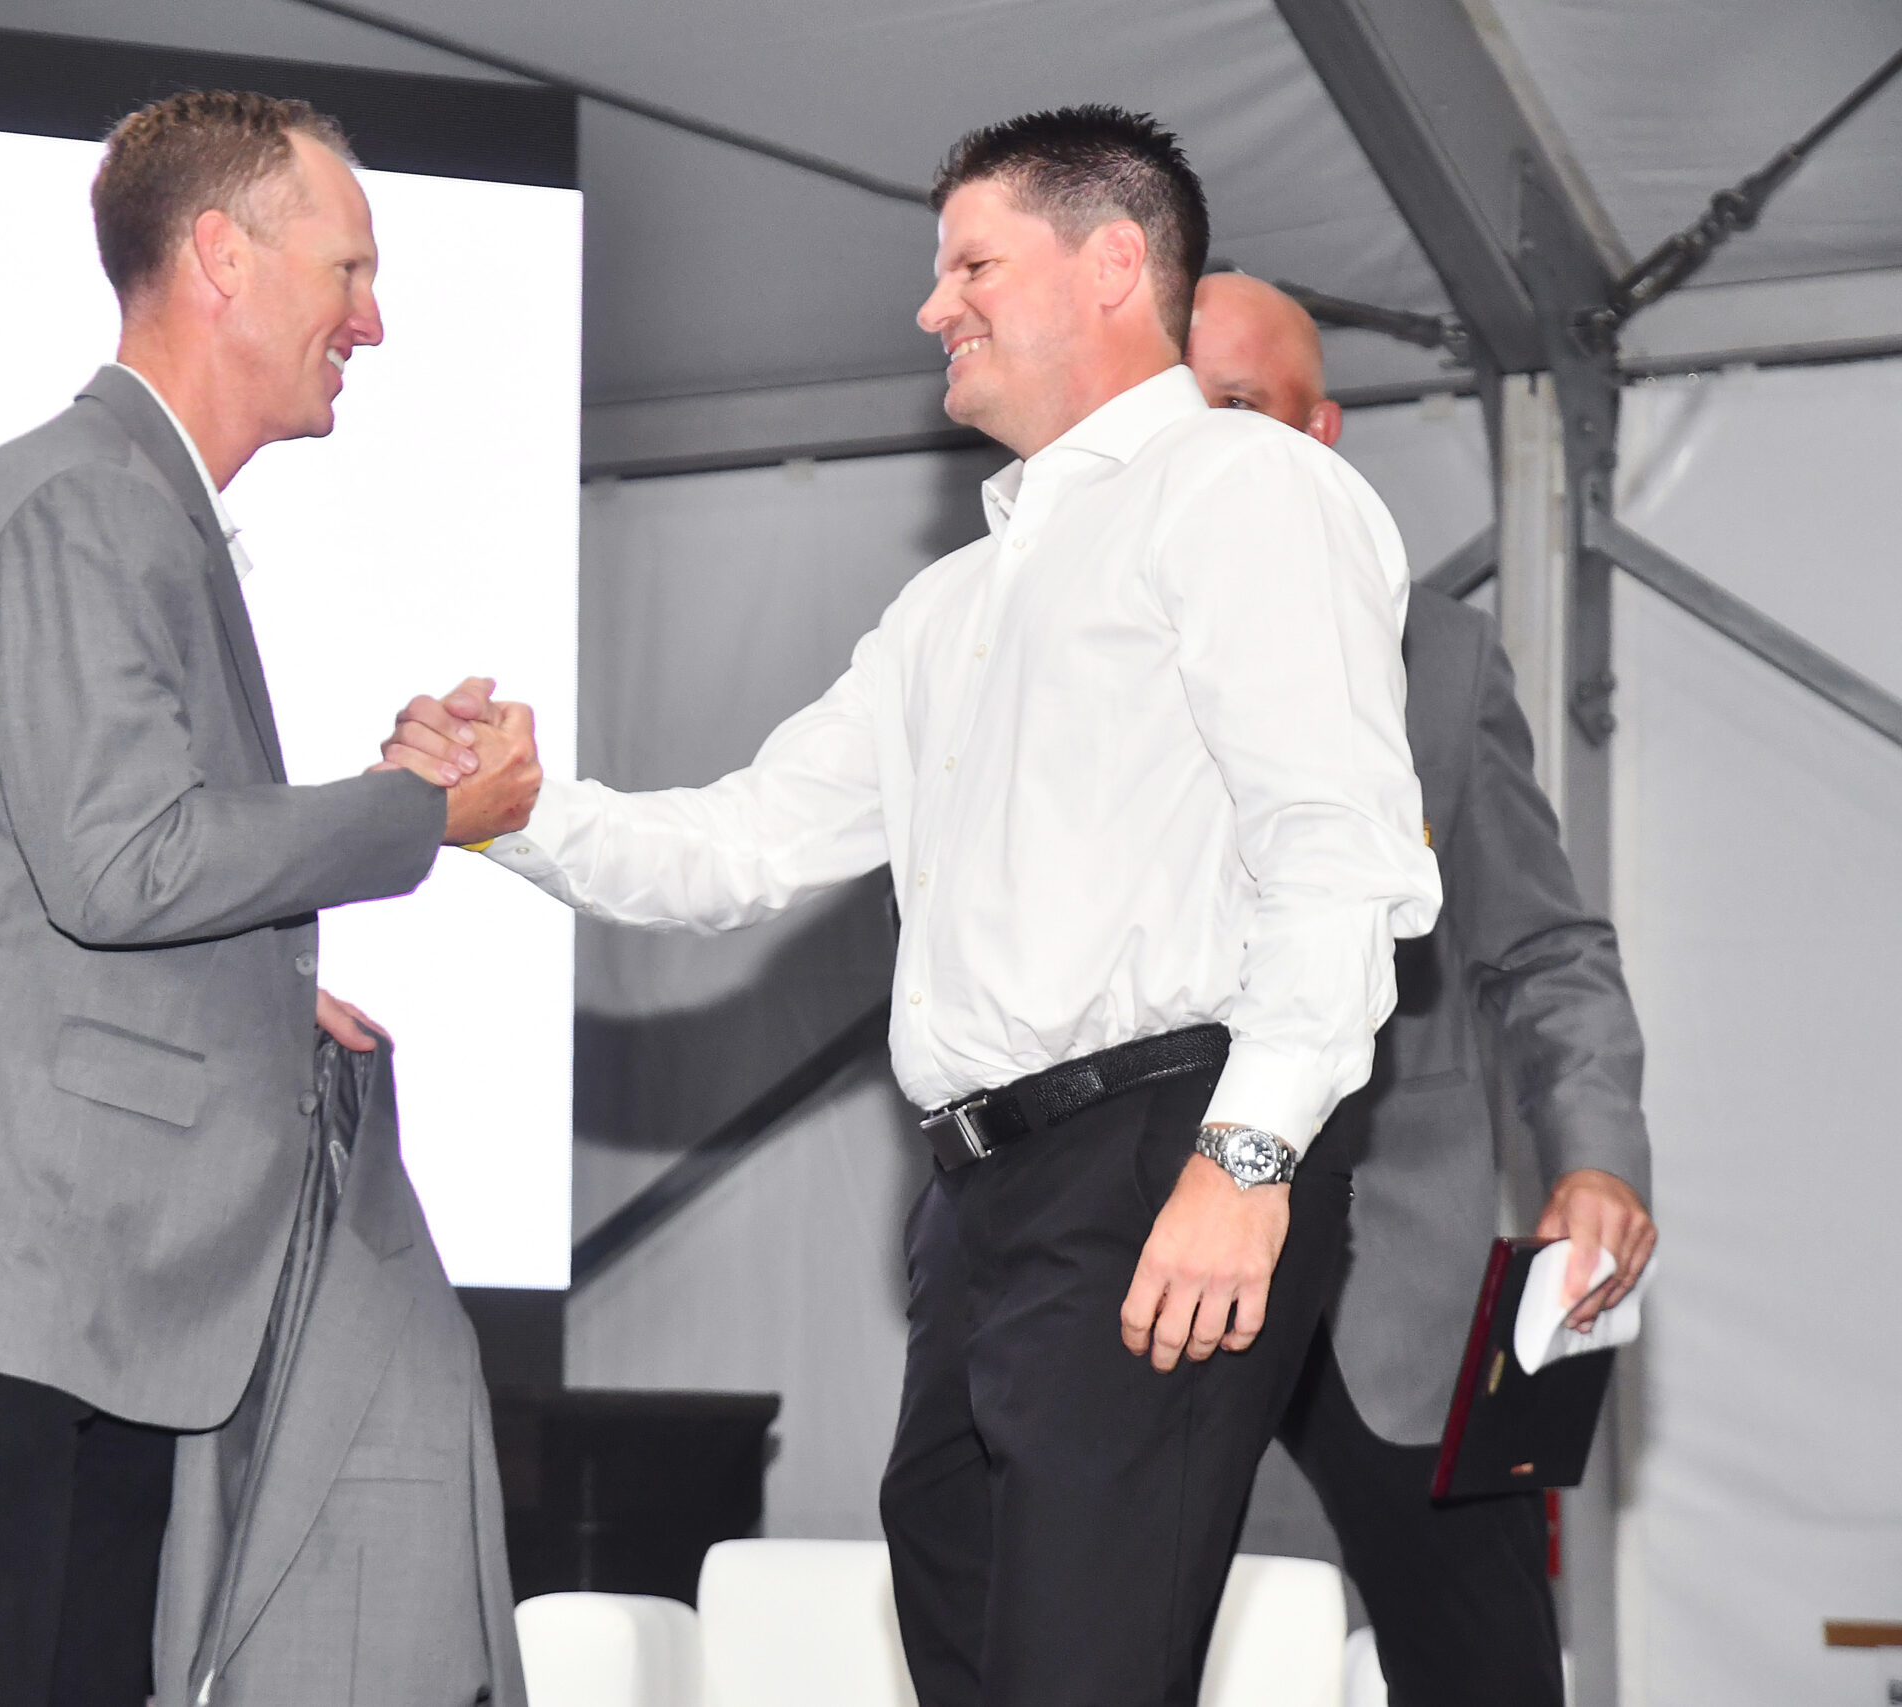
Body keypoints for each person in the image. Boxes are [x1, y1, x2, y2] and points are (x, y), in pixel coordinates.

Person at [393, 107, 1441, 1706]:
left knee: (1076, 1672)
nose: (930, 305)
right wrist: (523, 811)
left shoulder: (1241, 486)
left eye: (970, 265)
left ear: (1112, 265)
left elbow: (1338, 844)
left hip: (1159, 1152)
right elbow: (743, 843)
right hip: (979, 1202)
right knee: (972, 1648)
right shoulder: (953, 603)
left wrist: (1249, 1157)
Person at [0, 92, 538, 1707]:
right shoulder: (87, 500)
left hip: (46, 1291)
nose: (372, 321)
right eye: (349, 270)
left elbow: (47, 870)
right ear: (222, 257)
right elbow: (127, 858)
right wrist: (423, 814)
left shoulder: (126, 504)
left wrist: (261, 995)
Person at [1186, 272, 1657, 1706]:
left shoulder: (1439, 656)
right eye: (1180, 412)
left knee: (1488, 1672)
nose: (1210, 446)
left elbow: (1545, 948)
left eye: (1242, 408)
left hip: (1393, 1262)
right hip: (1142, 1251)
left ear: (1319, 433)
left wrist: (1593, 1157)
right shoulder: (1072, 648)